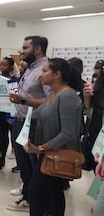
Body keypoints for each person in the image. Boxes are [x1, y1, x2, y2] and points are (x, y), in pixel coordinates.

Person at [23, 58, 83, 216]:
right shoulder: (53, 95)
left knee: (36, 191)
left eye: (44, 71)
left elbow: (69, 132)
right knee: (52, 191)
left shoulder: (68, 97)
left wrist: (42, 147)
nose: (40, 75)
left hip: (57, 154)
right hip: (47, 153)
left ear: (57, 74)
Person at [7, 36, 51, 212]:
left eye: (25, 48)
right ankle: (28, 197)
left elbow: (50, 100)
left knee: (34, 166)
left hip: (34, 124)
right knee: (23, 165)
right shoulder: (29, 69)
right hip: (20, 121)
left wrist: (23, 100)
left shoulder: (45, 69)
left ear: (38, 49)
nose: (22, 51)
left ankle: (40, 202)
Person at [0, 57, 20, 173]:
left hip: (9, 112)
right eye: (1, 65)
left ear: (11, 66)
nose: (2, 67)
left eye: (5, 65)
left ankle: (4, 158)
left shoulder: (15, 80)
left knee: (8, 137)